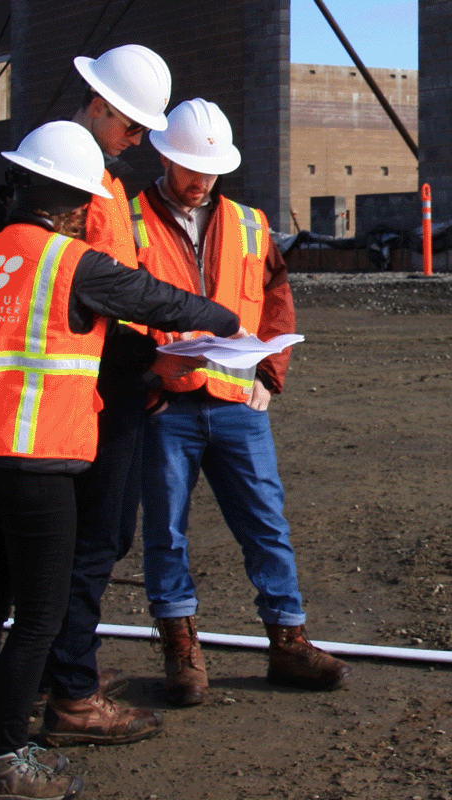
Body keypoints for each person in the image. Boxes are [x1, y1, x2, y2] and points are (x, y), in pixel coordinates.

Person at [0, 120, 244, 800]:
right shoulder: (72, 263)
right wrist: (223, 322)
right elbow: (158, 300)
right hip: (39, 460)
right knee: (40, 617)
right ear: (73, 202)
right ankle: (6, 763)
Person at [129, 99, 350, 705]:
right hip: (165, 404)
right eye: (189, 170)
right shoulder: (127, 224)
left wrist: (270, 375)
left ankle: (289, 641)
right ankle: (182, 650)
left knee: (266, 523)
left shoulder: (250, 223)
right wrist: (144, 377)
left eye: (210, 172)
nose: (200, 183)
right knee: (166, 531)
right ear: (164, 157)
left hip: (235, 400)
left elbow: (276, 299)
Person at [37, 42, 179, 747]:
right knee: (92, 539)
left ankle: (54, 668)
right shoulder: (75, 185)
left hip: (115, 379)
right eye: (131, 124)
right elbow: (88, 293)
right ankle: (71, 690)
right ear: (97, 106)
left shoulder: (105, 182)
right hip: (96, 386)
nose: (140, 139)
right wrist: (147, 358)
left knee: (96, 536)